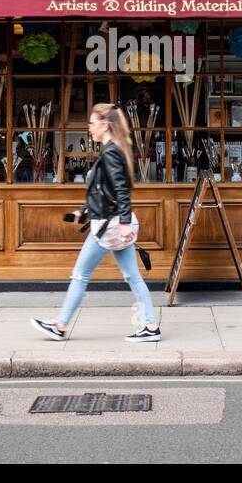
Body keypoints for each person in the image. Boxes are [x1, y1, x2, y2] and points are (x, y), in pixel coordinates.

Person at [31, 103, 161, 342]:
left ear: (104, 125)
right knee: (132, 276)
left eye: (91, 124)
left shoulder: (111, 152)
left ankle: (59, 326)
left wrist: (123, 223)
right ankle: (151, 326)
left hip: (108, 227)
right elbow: (104, 190)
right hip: (113, 223)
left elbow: (122, 190)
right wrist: (83, 211)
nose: (89, 128)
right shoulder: (114, 149)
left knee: (80, 275)